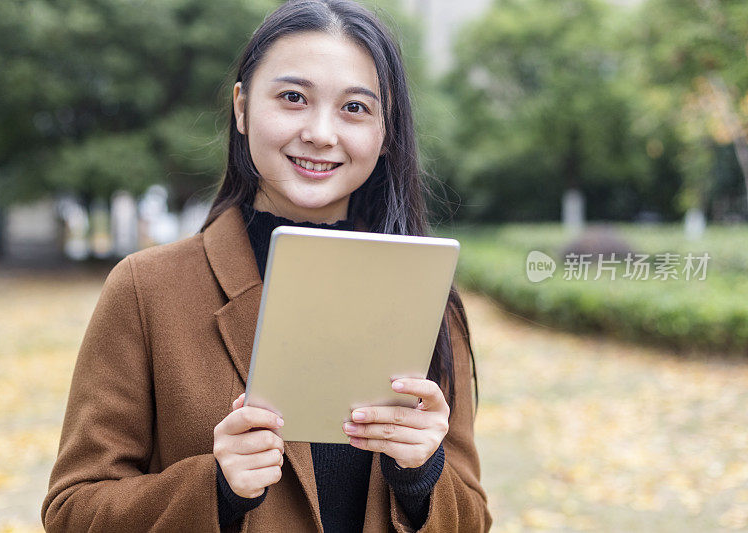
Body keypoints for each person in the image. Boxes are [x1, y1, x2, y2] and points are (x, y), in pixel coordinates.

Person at [41, 0, 492, 531]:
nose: (322, 133)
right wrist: (215, 489)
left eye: (355, 108)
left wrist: (423, 475)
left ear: (385, 133)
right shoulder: (147, 289)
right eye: (293, 98)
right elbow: (73, 511)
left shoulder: (428, 299)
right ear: (241, 107)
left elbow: (474, 517)